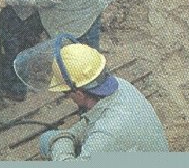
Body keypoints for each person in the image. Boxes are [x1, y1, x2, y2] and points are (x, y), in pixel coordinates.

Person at [39, 40, 168, 160]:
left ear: (79, 94)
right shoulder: (121, 85)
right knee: (53, 139)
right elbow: (90, 121)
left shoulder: (104, 135)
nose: (68, 97)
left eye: (66, 93)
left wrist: (60, 142)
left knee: (47, 140)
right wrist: (69, 135)